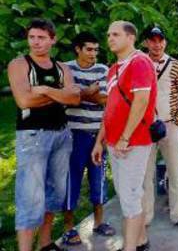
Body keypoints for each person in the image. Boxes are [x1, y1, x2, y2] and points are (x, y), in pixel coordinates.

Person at [8, 19, 80, 251]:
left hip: (61, 135)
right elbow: (24, 100)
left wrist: (47, 90)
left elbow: (75, 98)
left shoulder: (62, 68)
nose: (36, 42)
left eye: (41, 37)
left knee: (54, 193)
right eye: (32, 37)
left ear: (52, 39)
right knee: (30, 197)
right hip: (33, 136)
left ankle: (45, 242)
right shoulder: (20, 64)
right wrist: (61, 94)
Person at [91, 21, 156, 251]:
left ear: (131, 38)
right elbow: (110, 109)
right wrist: (100, 141)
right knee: (128, 195)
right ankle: (141, 241)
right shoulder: (114, 68)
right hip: (115, 141)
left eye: (116, 34)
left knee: (129, 199)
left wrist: (125, 137)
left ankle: (129, 247)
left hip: (132, 143)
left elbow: (141, 101)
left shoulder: (139, 62)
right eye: (108, 34)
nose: (110, 38)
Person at [62, 32, 115, 246]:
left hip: (98, 135)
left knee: (98, 181)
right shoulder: (66, 69)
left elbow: (106, 99)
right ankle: (68, 228)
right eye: (89, 49)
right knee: (71, 182)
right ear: (78, 49)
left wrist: (80, 94)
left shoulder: (103, 70)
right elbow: (65, 98)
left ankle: (99, 222)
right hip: (73, 135)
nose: (93, 53)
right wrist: (86, 92)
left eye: (96, 49)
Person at [142, 26, 178, 231]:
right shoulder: (140, 64)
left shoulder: (177, 66)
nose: (157, 44)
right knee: (145, 174)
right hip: (145, 127)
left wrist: (177, 122)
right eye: (153, 40)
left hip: (170, 126)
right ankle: (145, 216)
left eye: (160, 40)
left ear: (165, 42)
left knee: (176, 171)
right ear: (146, 42)